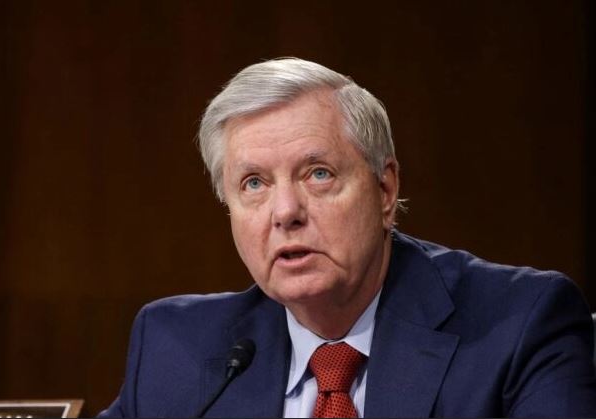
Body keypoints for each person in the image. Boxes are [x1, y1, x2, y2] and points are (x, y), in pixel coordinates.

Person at [99, 58, 596, 417]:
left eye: (318, 174)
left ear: (385, 189)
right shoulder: (175, 349)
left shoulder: (521, 326)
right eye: (254, 184)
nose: (286, 212)